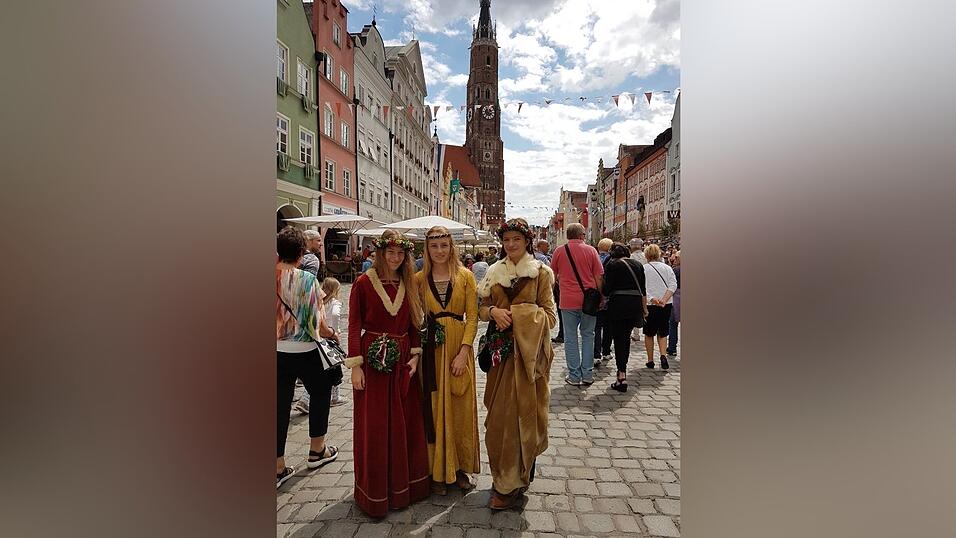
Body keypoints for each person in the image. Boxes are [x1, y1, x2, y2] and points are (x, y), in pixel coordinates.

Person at [346, 230, 429, 518]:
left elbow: (414, 325)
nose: (395, 258)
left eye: (400, 253)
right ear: (380, 253)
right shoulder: (362, 283)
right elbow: (354, 324)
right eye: (390, 252)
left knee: (405, 422)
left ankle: (406, 487)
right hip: (373, 359)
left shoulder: (410, 283)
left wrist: (415, 358)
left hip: (403, 360)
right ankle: (376, 493)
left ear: (406, 255)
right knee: (376, 424)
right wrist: (355, 365)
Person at [478, 218, 556, 510]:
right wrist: (494, 313)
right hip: (501, 360)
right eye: (507, 240)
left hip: (529, 362)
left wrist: (520, 315)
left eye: (516, 240)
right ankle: (503, 478)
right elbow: (481, 309)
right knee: (498, 422)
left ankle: (511, 484)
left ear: (527, 243)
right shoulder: (492, 274)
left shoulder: (541, 274)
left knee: (523, 419)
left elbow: (549, 317)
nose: (511, 245)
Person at [414, 226, 480, 496]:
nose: (439, 251)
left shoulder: (465, 276)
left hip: (457, 350)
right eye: (434, 246)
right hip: (430, 351)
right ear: (427, 249)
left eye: (444, 245)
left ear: (451, 247)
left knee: (460, 407)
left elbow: (473, 317)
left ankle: (460, 468)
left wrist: (464, 351)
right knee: (431, 408)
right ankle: (435, 470)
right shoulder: (418, 279)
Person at [275, 227, 340, 488]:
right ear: (301, 254)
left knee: (279, 406)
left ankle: (278, 466)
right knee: (321, 391)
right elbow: (319, 322)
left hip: (278, 351)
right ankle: (317, 450)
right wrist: (332, 334)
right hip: (306, 350)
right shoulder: (307, 279)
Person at [549, 223, 604, 386]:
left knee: (571, 337)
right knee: (588, 335)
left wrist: (551, 295)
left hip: (567, 301)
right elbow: (599, 277)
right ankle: (587, 374)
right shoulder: (591, 250)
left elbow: (552, 275)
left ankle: (574, 375)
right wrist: (600, 296)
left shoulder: (559, 251)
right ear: (581, 235)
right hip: (589, 300)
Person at [601, 243, 648, 391]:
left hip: (618, 305)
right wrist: (644, 309)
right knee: (625, 339)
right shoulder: (638, 265)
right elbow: (643, 290)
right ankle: (622, 372)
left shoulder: (612, 265)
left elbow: (607, 290)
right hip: (634, 305)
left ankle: (621, 374)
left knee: (619, 339)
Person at [642, 244, 678, 369]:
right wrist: (664, 299)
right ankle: (663, 355)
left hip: (650, 305)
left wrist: (653, 299)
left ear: (646, 255)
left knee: (649, 333)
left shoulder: (643, 268)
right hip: (665, 304)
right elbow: (673, 285)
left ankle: (650, 359)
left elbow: (642, 288)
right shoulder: (667, 268)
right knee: (663, 331)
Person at [593, 237, 614, 368]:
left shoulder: (594, 258)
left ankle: (596, 354)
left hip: (596, 296)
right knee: (608, 326)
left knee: (596, 327)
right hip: (609, 297)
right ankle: (606, 351)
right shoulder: (612, 260)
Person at [666, 250, 681, 358]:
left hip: (676, 298)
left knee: (673, 324)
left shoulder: (675, 270)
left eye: (675, 257)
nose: (673, 259)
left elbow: (670, 285)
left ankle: (672, 348)